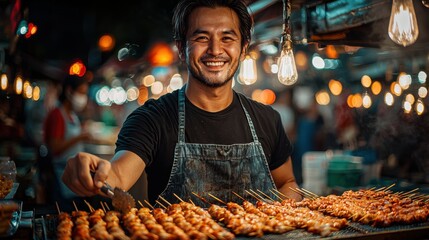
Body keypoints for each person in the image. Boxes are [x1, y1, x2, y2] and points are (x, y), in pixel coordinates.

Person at [62, 0, 302, 206]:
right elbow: (117, 175)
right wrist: (95, 171)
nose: (215, 50)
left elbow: (287, 182)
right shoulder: (152, 119)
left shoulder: (267, 119)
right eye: (201, 37)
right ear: (181, 48)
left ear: (243, 48)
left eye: (227, 37)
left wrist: (267, 215)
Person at [43, 75, 92, 207]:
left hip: (73, 175)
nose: (83, 97)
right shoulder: (57, 115)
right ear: (69, 91)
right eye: (81, 92)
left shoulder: (72, 115)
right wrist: (79, 137)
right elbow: (54, 147)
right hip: (61, 175)